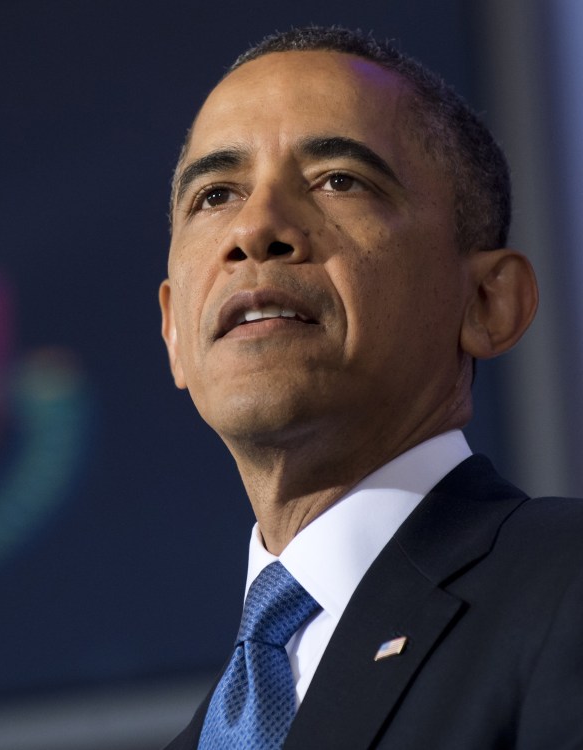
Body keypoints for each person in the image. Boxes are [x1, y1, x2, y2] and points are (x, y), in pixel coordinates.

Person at [158, 26, 583, 750]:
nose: (255, 230)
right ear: (173, 329)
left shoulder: (565, 587)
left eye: (338, 180)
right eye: (215, 194)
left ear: (489, 303)